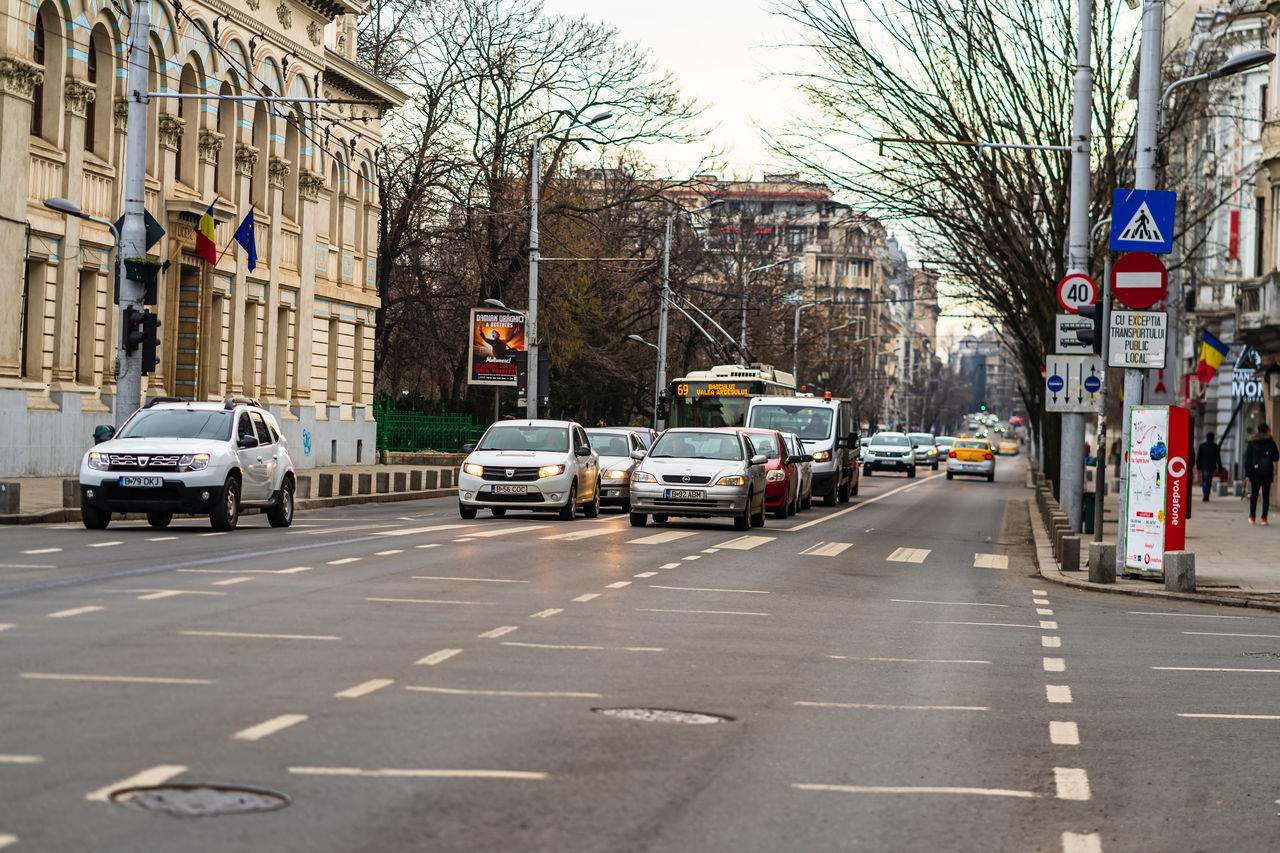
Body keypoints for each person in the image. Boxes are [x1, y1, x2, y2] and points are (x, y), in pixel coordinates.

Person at [1244, 423, 1279, 525]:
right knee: (1266, 496)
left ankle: (1252, 517)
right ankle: (1264, 519)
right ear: (1267, 431)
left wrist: (1247, 474)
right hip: (1267, 473)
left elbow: (1248, 460)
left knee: (1254, 496)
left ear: (1258, 430)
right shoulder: (1271, 443)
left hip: (1255, 473)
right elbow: (1276, 457)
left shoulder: (1251, 443)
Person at [1196, 431, 1221, 503]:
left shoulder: (1202, 446)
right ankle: (1207, 494)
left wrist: (1198, 466)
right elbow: (1218, 458)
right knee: (1209, 481)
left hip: (1204, 466)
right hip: (1212, 466)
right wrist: (1219, 467)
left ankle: (1205, 494)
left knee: (1204, 481)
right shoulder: (1215, 446)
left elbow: (1199, 457)